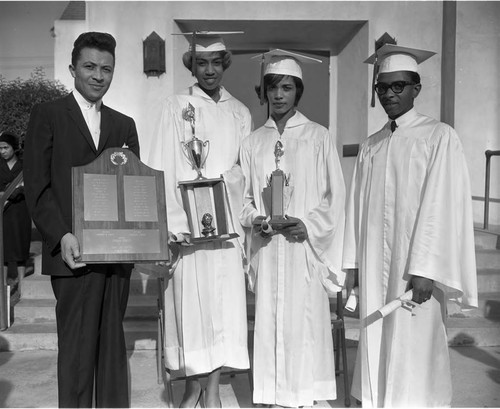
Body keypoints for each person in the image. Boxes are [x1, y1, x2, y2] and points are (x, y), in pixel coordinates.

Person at [343, 41, 478, 407]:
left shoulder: (438, 136)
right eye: (382, 87)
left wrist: (425, 269)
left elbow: (440, 206)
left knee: (415, 347)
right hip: (375, 269)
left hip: (414, 271)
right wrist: (352, 264)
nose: (389, 93)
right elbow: (355, 209)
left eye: (398, 86)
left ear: (416, 88)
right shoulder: (372, 145)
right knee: (379, 343)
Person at [23, 32, 140, 408]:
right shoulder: (49, 114)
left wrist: (141, 239)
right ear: (73, 68)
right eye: (90, 66)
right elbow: (37, 185)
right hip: (72, 254)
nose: (98, 75)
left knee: (111, 348)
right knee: (75, 352)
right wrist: (61, 235)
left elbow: (135, 189)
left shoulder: (124, 124)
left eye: (106, 68)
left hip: (116, 256)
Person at [147, 32, 252, 408]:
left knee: (221, 310)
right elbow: (160, 164)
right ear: (192, 65)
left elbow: (244, 169)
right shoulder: (174, 106)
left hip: (223, 228)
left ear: (225, 64)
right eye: (201, 63)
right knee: (191, 311)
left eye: (216, 63)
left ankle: (212, 389)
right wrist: (175, 222)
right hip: (187, 230)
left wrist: (224, 187)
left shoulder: (240, 112)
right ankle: (193, 387)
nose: (209, 70)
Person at [239, 50, 346, 407]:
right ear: (265, 92)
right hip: (269, 250)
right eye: (273, 88)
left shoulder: (318, 136)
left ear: (297, 92)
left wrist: (309, 225)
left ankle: (305, 396)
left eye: (287, 88)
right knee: (270, 320)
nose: (279, 95)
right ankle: (271, 396)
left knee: (305, 323)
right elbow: (242, 198)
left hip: (303, 248)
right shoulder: (253, 142)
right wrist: (256, 220)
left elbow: (335, 195)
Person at [0, 132, 31, 295]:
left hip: (20, 211)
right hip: (3, 211)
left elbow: (28, 186)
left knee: (20, 246)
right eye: (0, 148)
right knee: (3, 248)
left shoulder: (24, 166)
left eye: (5, 147)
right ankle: (3, 285)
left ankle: (22, 285)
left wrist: (13, 192)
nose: (2, 151)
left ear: (14, 148)